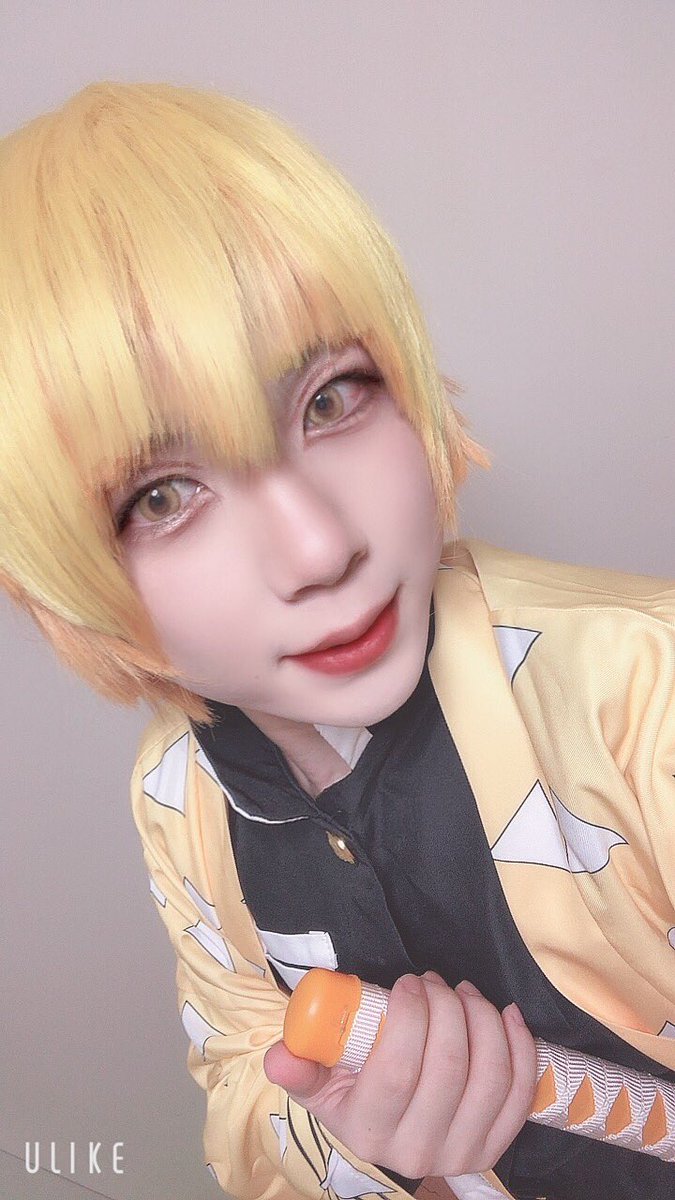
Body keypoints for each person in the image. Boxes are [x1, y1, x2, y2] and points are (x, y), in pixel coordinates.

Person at [0, 81, 673, 1200]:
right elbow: (239, 1085)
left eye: (330, 400)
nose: (318, 549)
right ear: (57, 584)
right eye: (162, 497)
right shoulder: (179, 796)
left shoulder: (643, 698)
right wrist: (369, 1145)